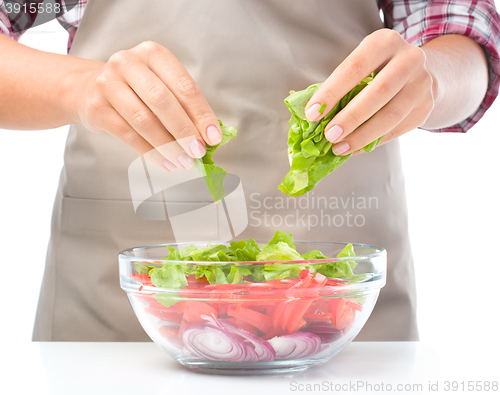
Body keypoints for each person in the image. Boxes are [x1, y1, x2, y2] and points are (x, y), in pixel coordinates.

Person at [1, 0, 499, 342]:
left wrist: (429, 79)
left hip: (338, 305)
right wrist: (79, 88)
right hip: (118, 300)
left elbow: (464, 32)